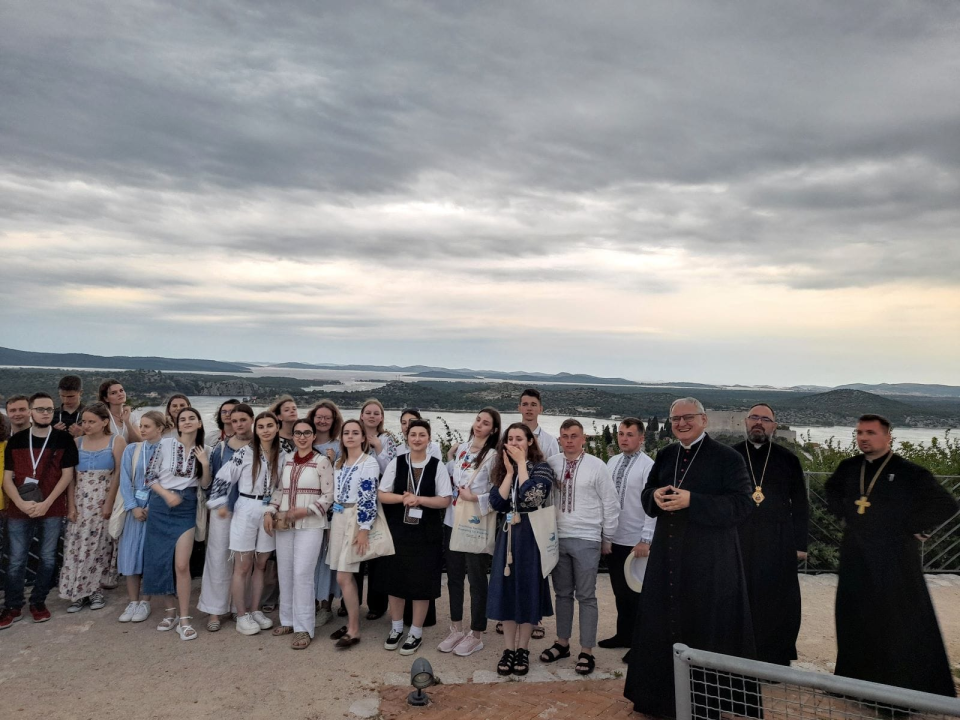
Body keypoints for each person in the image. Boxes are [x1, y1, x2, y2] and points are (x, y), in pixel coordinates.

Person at [624, 397, 757, 719]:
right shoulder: (667, 454)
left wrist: (692, 501)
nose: (681, 424)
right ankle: (657, 700)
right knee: (660, 627)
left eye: (688, 418)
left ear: (704, 420)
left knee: (703, 628)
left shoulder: (728, 458)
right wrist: (653, 496)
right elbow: (649, 494)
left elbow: (743, 505)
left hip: (707, 562)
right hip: (666, 559)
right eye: (675, 420)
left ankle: (706, 702)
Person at [826, 414, 958, 697]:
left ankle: (898, 694)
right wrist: (846, 513)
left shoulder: (910, 472)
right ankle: (852, 684)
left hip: (895, 558)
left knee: (895, 622)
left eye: (871, 433)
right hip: (856, 555)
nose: (863, 437)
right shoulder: (849, 468)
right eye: (859, 432)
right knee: (854, 617)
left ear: (888, 437)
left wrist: (913, 527)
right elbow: (831, 492)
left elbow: (946, 504)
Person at [542, 419, 619, 675]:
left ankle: (586, 650)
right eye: (564, 436)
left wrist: (607, 537)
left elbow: (610, 502)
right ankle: (562, 643)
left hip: (587, 538)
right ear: (560, 439)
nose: (569, 440)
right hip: (558, 537)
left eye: (574, 435)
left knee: (586, 596)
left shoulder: (597, 466)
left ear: (583, 438)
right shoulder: (551, 463)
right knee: (562, 594)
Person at [733, 404, 808, 666]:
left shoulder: (788, 459)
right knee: (738, 594)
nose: (759, 423)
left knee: (777, 598)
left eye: (765, 419)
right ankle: (738, 651)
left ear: (774, 426)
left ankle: (774, 654)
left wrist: (800, 544)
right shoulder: (731, 456)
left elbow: (800, 504)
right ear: (745, 422)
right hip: (738, 537)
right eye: (754, 417)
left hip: (777, 539)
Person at [0, 393, 78, 629]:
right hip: (19, 508)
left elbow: (67, 476)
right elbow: (6, 479)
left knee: (46, 558)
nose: (45, 413)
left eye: (49, 409)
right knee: (15, 560)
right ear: (31, 412)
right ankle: (13, 606)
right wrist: (21, 504)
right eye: (40, 409)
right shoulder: (16, 441)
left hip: (52, 508)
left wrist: (47, 503)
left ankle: (38, 602)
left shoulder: (64, 440)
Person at [376, 419, 453, 655]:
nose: (417, 439)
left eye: (422, 435)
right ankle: (397, 627)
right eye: (413, 435)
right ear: (407, 438)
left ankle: (416, 632)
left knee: (422, 582)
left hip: (426, 533)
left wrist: (419, 500)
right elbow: (382, 494)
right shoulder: (396, 463)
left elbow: (445, 499)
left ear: (429, 439)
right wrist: (403, 499)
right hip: (399, 531)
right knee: (395, 579)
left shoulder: (437, 466)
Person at [486, 423, 555, 677]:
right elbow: (496, 502)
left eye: (519, 439)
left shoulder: (542, 469)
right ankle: (508, 649)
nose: (514, 443)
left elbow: (532, 497)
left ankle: (523, 649)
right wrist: (507, 473)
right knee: (506, 591)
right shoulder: (504, 469)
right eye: (510, 438)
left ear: (529, 442)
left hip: (531, 536)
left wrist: (523, 465)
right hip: (508, 536)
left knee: (527, 590)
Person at [209, 410, 284, 636]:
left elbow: (282, 485)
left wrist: (274, 509)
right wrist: (220, 503)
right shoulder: (245, 452)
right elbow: (223, 476)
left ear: (277, 427)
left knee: (261, 564)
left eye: (270, 425)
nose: (265, 430)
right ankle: (241, 614)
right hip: (246, 508)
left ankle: (255, 609)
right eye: (261, 426)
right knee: (242, 566)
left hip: (268, 510)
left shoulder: (283, 453)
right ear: (256, 429)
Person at [264, 418, 334, 649]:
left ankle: (304, 628)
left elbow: (329, 495)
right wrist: (269, 512)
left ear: (314, 436)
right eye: (298, 433)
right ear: (293, 436)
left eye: (307, 433)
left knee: (303, 574)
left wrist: (307, 510)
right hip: (284, 525)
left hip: (311, 525)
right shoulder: (286, 461)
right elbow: (279, 490)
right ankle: (288, 620)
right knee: (285, 572)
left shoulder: (322, 462)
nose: (302, 437)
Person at [142, 407, 210, 641]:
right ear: (177, 424)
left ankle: (184, 618)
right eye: (183, 419)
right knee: (161, 560)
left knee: (182, 565)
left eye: (192, 418)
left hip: (187, 506)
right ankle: (169, 611)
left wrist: (205, 463)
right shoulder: (165, 444)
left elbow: (204, 484)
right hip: (162, 505)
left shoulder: (206, 449)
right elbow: (149, 476)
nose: (188, 421)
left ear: (200, 423)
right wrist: (166, 495)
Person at [437, 407, 501, 657]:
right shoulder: (462, 449)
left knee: (476, 579)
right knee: (453, 577)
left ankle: (476, 633)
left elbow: (498, 494)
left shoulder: (494, 456)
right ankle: (456, 628)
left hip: (474, 522)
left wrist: (474, 497)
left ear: (493, 429)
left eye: (486, 423)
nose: (479, 425)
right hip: (453, 521)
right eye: (478, 420)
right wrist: (450, 455)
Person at [59, 403, 126, 612]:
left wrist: (109, 502)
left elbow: (118, 474)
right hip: (81, 500)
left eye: (91, 421)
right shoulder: (77, 442)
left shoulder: (117, 441)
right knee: (77, 546)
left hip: (104, 499)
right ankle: (77, 592)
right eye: (84, 421)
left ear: (104, 422)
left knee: (101, 546)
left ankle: (95, 589)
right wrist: (71, 506)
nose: (86, 425)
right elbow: (70, 478)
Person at [599, 418, 656, 650]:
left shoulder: (648, 466)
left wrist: (646, 540)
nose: (624, 438)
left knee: (638, 594)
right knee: (620, 593)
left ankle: (640, 646)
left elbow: (652, 507)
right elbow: (605, 499)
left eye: (630, 434)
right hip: (614, 539)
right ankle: (623, 636)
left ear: (641, 438)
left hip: (637, 542)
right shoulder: (611, 462)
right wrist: (606, 536)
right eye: (621, 433)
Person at [198, 403, 254, 632]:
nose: (238, 424)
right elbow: (212, 483)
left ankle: (237, 606)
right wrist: (217, 505)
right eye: (234, 420)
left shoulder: (259, 446)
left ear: (251, 420)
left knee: (242, 562)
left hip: (248, 510)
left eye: (243, 420)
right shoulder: (221, 448)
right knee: (217, 558)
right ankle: (214, 609)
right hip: (223, 511)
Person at [326, 419, 381, 649]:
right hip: (339, 517)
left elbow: (369, 497)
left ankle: (354, 629)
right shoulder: (339, 463)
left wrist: (364, 529)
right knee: (343, 575)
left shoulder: (368, 463)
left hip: (355, 518)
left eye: (355, 433)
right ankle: (351, 621)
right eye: (346, 432)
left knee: (344, 576)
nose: (350, 436)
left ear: (362, 437)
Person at [116, 410, 166, 623]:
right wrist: (133, 507)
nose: (142, 430)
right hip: (134, 510)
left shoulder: (168, 450)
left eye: (147, 426)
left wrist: (154, 507)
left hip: (156, 511)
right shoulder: (132, 450)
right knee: (130, 555)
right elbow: (125, 480)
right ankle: (132, 601)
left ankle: (145, 600)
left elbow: (169, 483)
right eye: (141, 426)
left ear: (160, 428)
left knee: (149, 557)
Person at [308, 399, 344, 625]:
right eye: (319, 417)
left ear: (333, 421)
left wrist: (332, 462)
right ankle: (308, 602)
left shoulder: (340, 447)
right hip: (308, 508)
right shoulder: (303, 442)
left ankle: (326, 606)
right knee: (309, 556)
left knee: (328, 557)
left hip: (331, 510)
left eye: (327, 418)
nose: (322, 421)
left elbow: (343, 480)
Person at [358, 398, 394, 620]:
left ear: (381, 417)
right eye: (368, 412)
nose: (372, 416)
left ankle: (377, 604)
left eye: (376, 413)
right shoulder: (353, 434)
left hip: (378, 501)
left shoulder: (387, 439)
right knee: (355, 551)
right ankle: (348, 601)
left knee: (377, 553)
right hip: (355, 502)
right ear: (361, 415)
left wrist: (379, 448)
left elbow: (390, 470)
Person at [517, 388, 560, 459]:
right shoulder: (509, 437)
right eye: (525, 404)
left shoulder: (550, 441)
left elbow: (555, 468)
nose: (529, 408)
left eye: (533, 405)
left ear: (540, 409)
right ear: (519, 408)